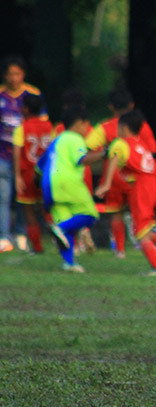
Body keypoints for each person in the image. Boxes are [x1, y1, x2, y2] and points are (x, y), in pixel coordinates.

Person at [96, 110, 156, 276]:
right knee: (147, 232)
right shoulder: (141, 146)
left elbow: (113, 159)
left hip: (141, 188)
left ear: (124, 127)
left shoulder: (120, 143)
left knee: (141, 232)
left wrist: (106, 184)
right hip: (152, 186)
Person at [87, 89, 156, 258]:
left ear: (111, 107)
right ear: (131, 105)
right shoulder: (142, 125)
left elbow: (89, 147)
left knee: (116, 214)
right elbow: (152, 150)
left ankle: (119, 250)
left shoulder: (104, 127)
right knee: (141, 215)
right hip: (139, 178)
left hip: (115, 178)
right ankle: (144, 244)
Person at [37, 106, 103, 272]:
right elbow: (81, 159)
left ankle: (69, 263)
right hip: (68, 181)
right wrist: (104, 153)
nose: (88, 129)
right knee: (90, 215)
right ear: (80, 123)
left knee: (65, 226)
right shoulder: (75, 138)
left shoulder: (57, 140)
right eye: (87, 125)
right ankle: (60, 228)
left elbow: (38, 167)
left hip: (49, 185)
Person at [0, 56, 46, 253]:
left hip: (27, 157)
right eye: (10, 74)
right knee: (3, 195)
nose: (13, 78)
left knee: (23, 196)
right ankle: (4, 236)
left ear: (23, 75)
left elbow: (43, 123)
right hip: (3, 153)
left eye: (17, 74)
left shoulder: (32, 94)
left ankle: (21, 232)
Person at [12, 93, 53, 254]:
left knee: (29, 212)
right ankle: (58, 238)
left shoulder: (22, 128)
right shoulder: (50, 126)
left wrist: (17, 176)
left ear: (26, 109)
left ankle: (37, 247)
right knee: (48, 210)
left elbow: (17, 154)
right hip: (46, 174)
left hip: (27, 174)